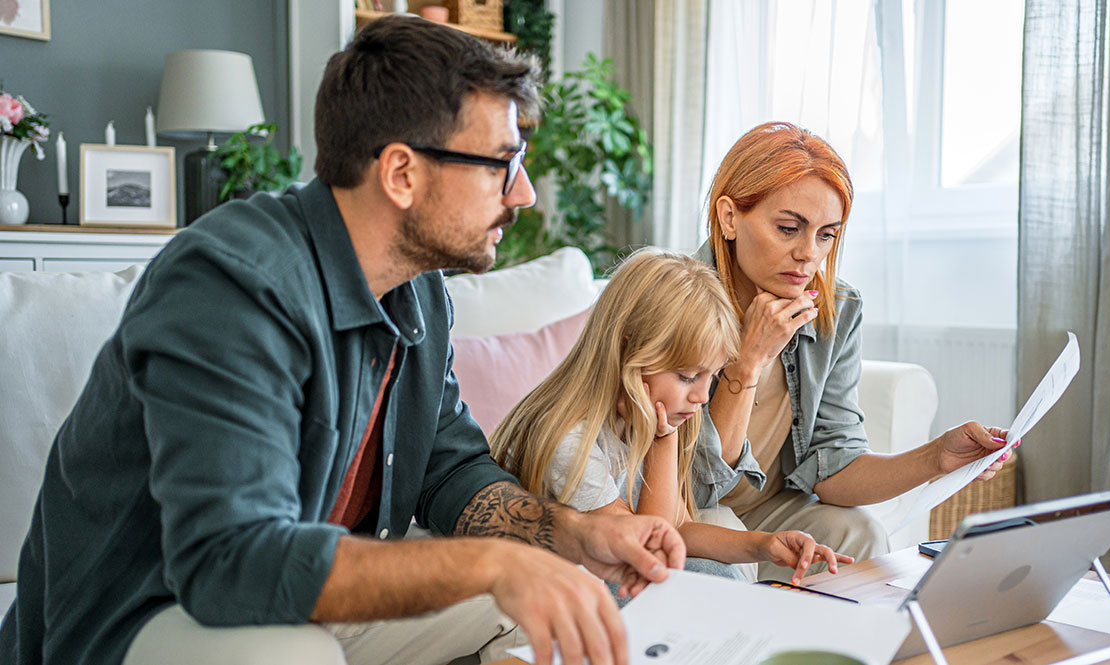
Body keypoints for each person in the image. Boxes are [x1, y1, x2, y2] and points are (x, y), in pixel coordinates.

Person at [0, 16, 686, 665]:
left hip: (312, 592)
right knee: (291, 654)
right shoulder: (231, 286)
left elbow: (452, 472)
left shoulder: (418, 292)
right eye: (500, 163)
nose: (525, 193)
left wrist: (572, 532)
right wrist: (493, 562)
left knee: (565, 595)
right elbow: (228, 562)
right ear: (401, 173)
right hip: (141, 615)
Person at [692, 122, 1013, 582]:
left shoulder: (835, 310)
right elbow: (704, 483)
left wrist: (936, 458)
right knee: (721, 534)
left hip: (768, 506)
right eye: (788, 229)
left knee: (858, 532)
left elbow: (833, 467)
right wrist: (749, 361)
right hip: (687, 506)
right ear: (728, 217)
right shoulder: (676, 298)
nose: (809, 255)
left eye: (826, 235)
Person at [491, 248, 852, 592]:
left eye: (711, 376)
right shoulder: (572, 440)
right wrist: (663, 442)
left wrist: (764, 545)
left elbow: (679, 526)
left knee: (717, 572)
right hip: (554, 575)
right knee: (703, 580)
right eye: (687, 376)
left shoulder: (652, 413)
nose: (701, 396)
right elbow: (652, 547)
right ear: (629, 350)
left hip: (613, 563)